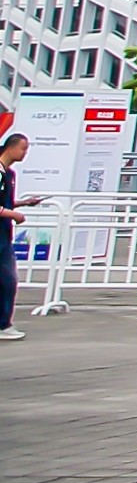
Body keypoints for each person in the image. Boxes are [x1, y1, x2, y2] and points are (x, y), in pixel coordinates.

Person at [0, 131, 28, 339]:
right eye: (23, 148)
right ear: (10, 147)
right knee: (8, 280)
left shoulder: (9, 174)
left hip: (4, 234)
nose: (24, 153)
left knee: (8, 280)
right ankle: (3, 325)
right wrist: (13, 214)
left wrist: (23, 204)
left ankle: (4, 323)